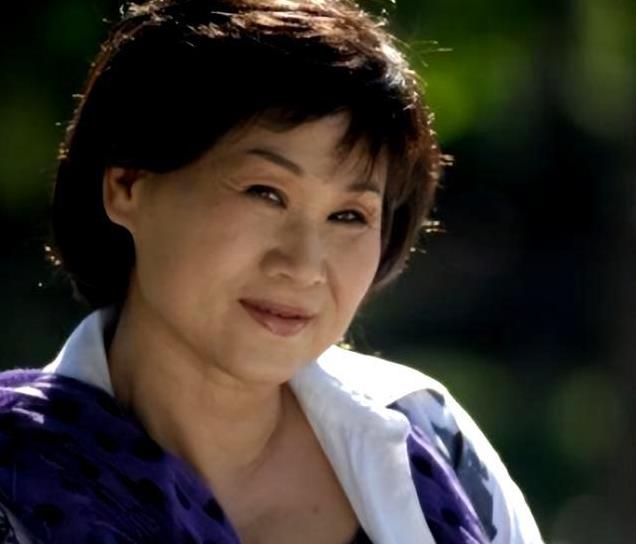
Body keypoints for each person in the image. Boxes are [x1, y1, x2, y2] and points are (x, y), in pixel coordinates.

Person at [0, 1, 544, 542]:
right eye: (265, 193)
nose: (303, 267)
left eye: (349, 216)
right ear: (128, 185)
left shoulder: (426, 430)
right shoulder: (15, 478)